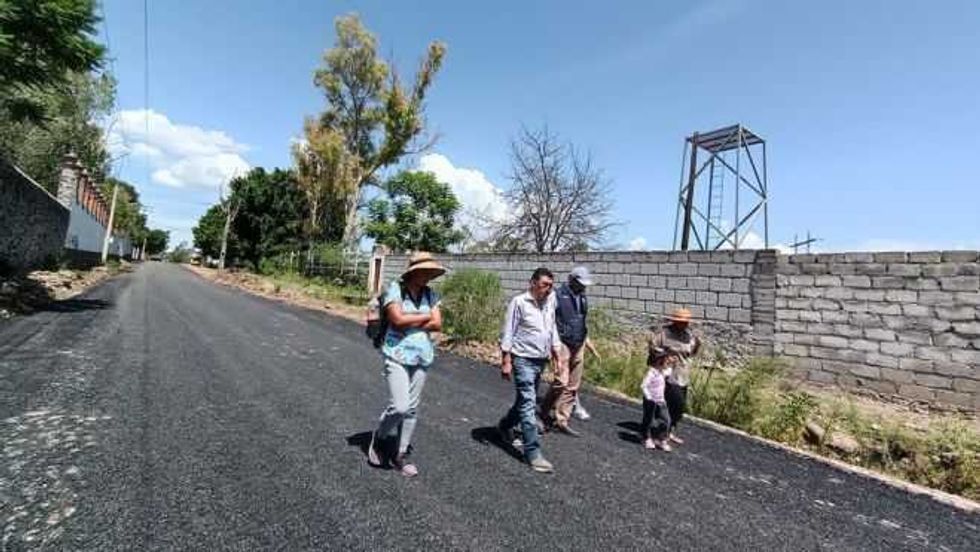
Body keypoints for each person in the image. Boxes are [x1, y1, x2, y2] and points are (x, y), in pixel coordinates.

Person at [367, 252, 446, 477]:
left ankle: (400, 454)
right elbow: (397, 321)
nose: (428, 276)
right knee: (400, 406)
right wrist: (423, 319)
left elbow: (438, 323)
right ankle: (380, 438)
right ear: (414, 272)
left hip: (423, 356)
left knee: (412, 408)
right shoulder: (396, 290)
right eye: (425, 271)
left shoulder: (431, 295)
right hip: (397, 354)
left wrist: (411, 318)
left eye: (431, 272)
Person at [497, 268, 561, 474]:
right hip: (523, 359)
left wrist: (557, 355)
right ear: (532, 283)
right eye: (545, 285)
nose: (548, 289)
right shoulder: (519, 302)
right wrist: (506, 360)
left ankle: (504, 425)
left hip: (540, 360)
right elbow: (509, 331)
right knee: (528, 404)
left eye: (551, 285)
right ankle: (533, 452)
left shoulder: (550, 302)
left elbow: (552, 330)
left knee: (524, 401)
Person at [542, 266, 600, 436]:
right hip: (562, 342)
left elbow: (582, 321)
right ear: (571, 280)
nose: (583, 287)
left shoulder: (583, 297)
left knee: (573, 385)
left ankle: (562, 419)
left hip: (579, 343)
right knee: (561, 381)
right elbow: (549, 321)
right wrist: (552, 346)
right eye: (580, 283)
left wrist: (588, 344)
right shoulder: (557, 295)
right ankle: (543, 412)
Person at [648, 307, 701, 445]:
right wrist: (665, 355)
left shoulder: (688, 336)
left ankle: (670, 431)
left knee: (679, 408)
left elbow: (691, 352)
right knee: (669, 405)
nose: (684, 324)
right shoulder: (664, 334)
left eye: (686, 322)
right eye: (682, 321)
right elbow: (653, 348)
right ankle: (660, 434)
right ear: (675, 321)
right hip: (667, 376)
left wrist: (697, 346)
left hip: (682, 376)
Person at [640, 347, 676, 451]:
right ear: (659, 362)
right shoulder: (651, 373)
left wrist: (673, 363)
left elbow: (669, 371)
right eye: (666, 361)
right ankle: (646, 437)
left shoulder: (662, 372)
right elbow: (643, 386)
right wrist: (649, 397)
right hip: (650, 401)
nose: (667, 363)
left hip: (661, 401)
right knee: (649, 420)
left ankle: (662, 439)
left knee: (666, 420)